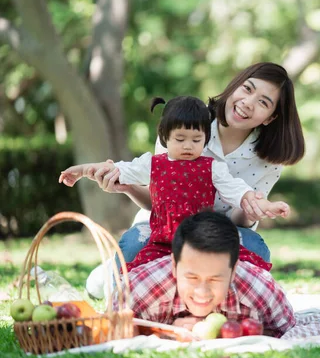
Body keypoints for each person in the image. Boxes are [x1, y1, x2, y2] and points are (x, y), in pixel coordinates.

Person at [87, 62, 305, 298]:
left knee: (256, 250)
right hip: (164, 225)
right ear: (234, 87)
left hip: (221, 232)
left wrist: (251, 210)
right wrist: (128, 187)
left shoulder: (269, 159)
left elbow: (240, 221)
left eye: (263, 102)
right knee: (131, 250)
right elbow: (158, 200)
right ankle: (107, 275)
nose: (248, 103)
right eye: (247, 89)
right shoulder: (186, 123)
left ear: (270, 118)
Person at [59, 96, 289, 271]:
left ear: (205, 139)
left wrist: (266, 206)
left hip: (202, 240)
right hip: (162, 240)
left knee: (241, 264)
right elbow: (118, 169)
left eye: (197, 140)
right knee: (136, 276)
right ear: (165, 136)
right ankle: (111, 283)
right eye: (180, 139)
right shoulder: (152, 164)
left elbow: (238, 191)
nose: (188, 146)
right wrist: (80, 171)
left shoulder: (212, 167)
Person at [114, 210, 296, 338]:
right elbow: (112, 331)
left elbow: (287, 330)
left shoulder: (261, 289)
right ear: (175, 268)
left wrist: (237, 332)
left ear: (233, 272)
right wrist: (163, 332)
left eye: (215, 279)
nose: (202, 292)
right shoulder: (139, 289)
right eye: (192, 278)